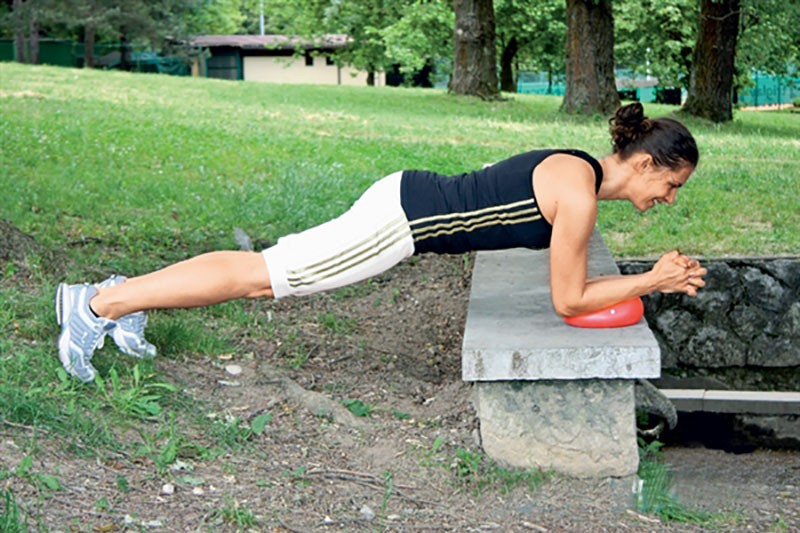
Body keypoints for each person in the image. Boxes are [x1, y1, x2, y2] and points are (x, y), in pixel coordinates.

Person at [56, 103, 707, 383]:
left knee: (264, 267)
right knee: (263, 275)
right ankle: (95, 305)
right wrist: (651, 279)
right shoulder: (579, 194)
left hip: (404, 201)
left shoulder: (577, 169)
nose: (669, 200)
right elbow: (569, 300)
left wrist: (649, 279)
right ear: (646, 162)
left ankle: (122, 296)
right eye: (672, 184)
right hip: (397, 224)